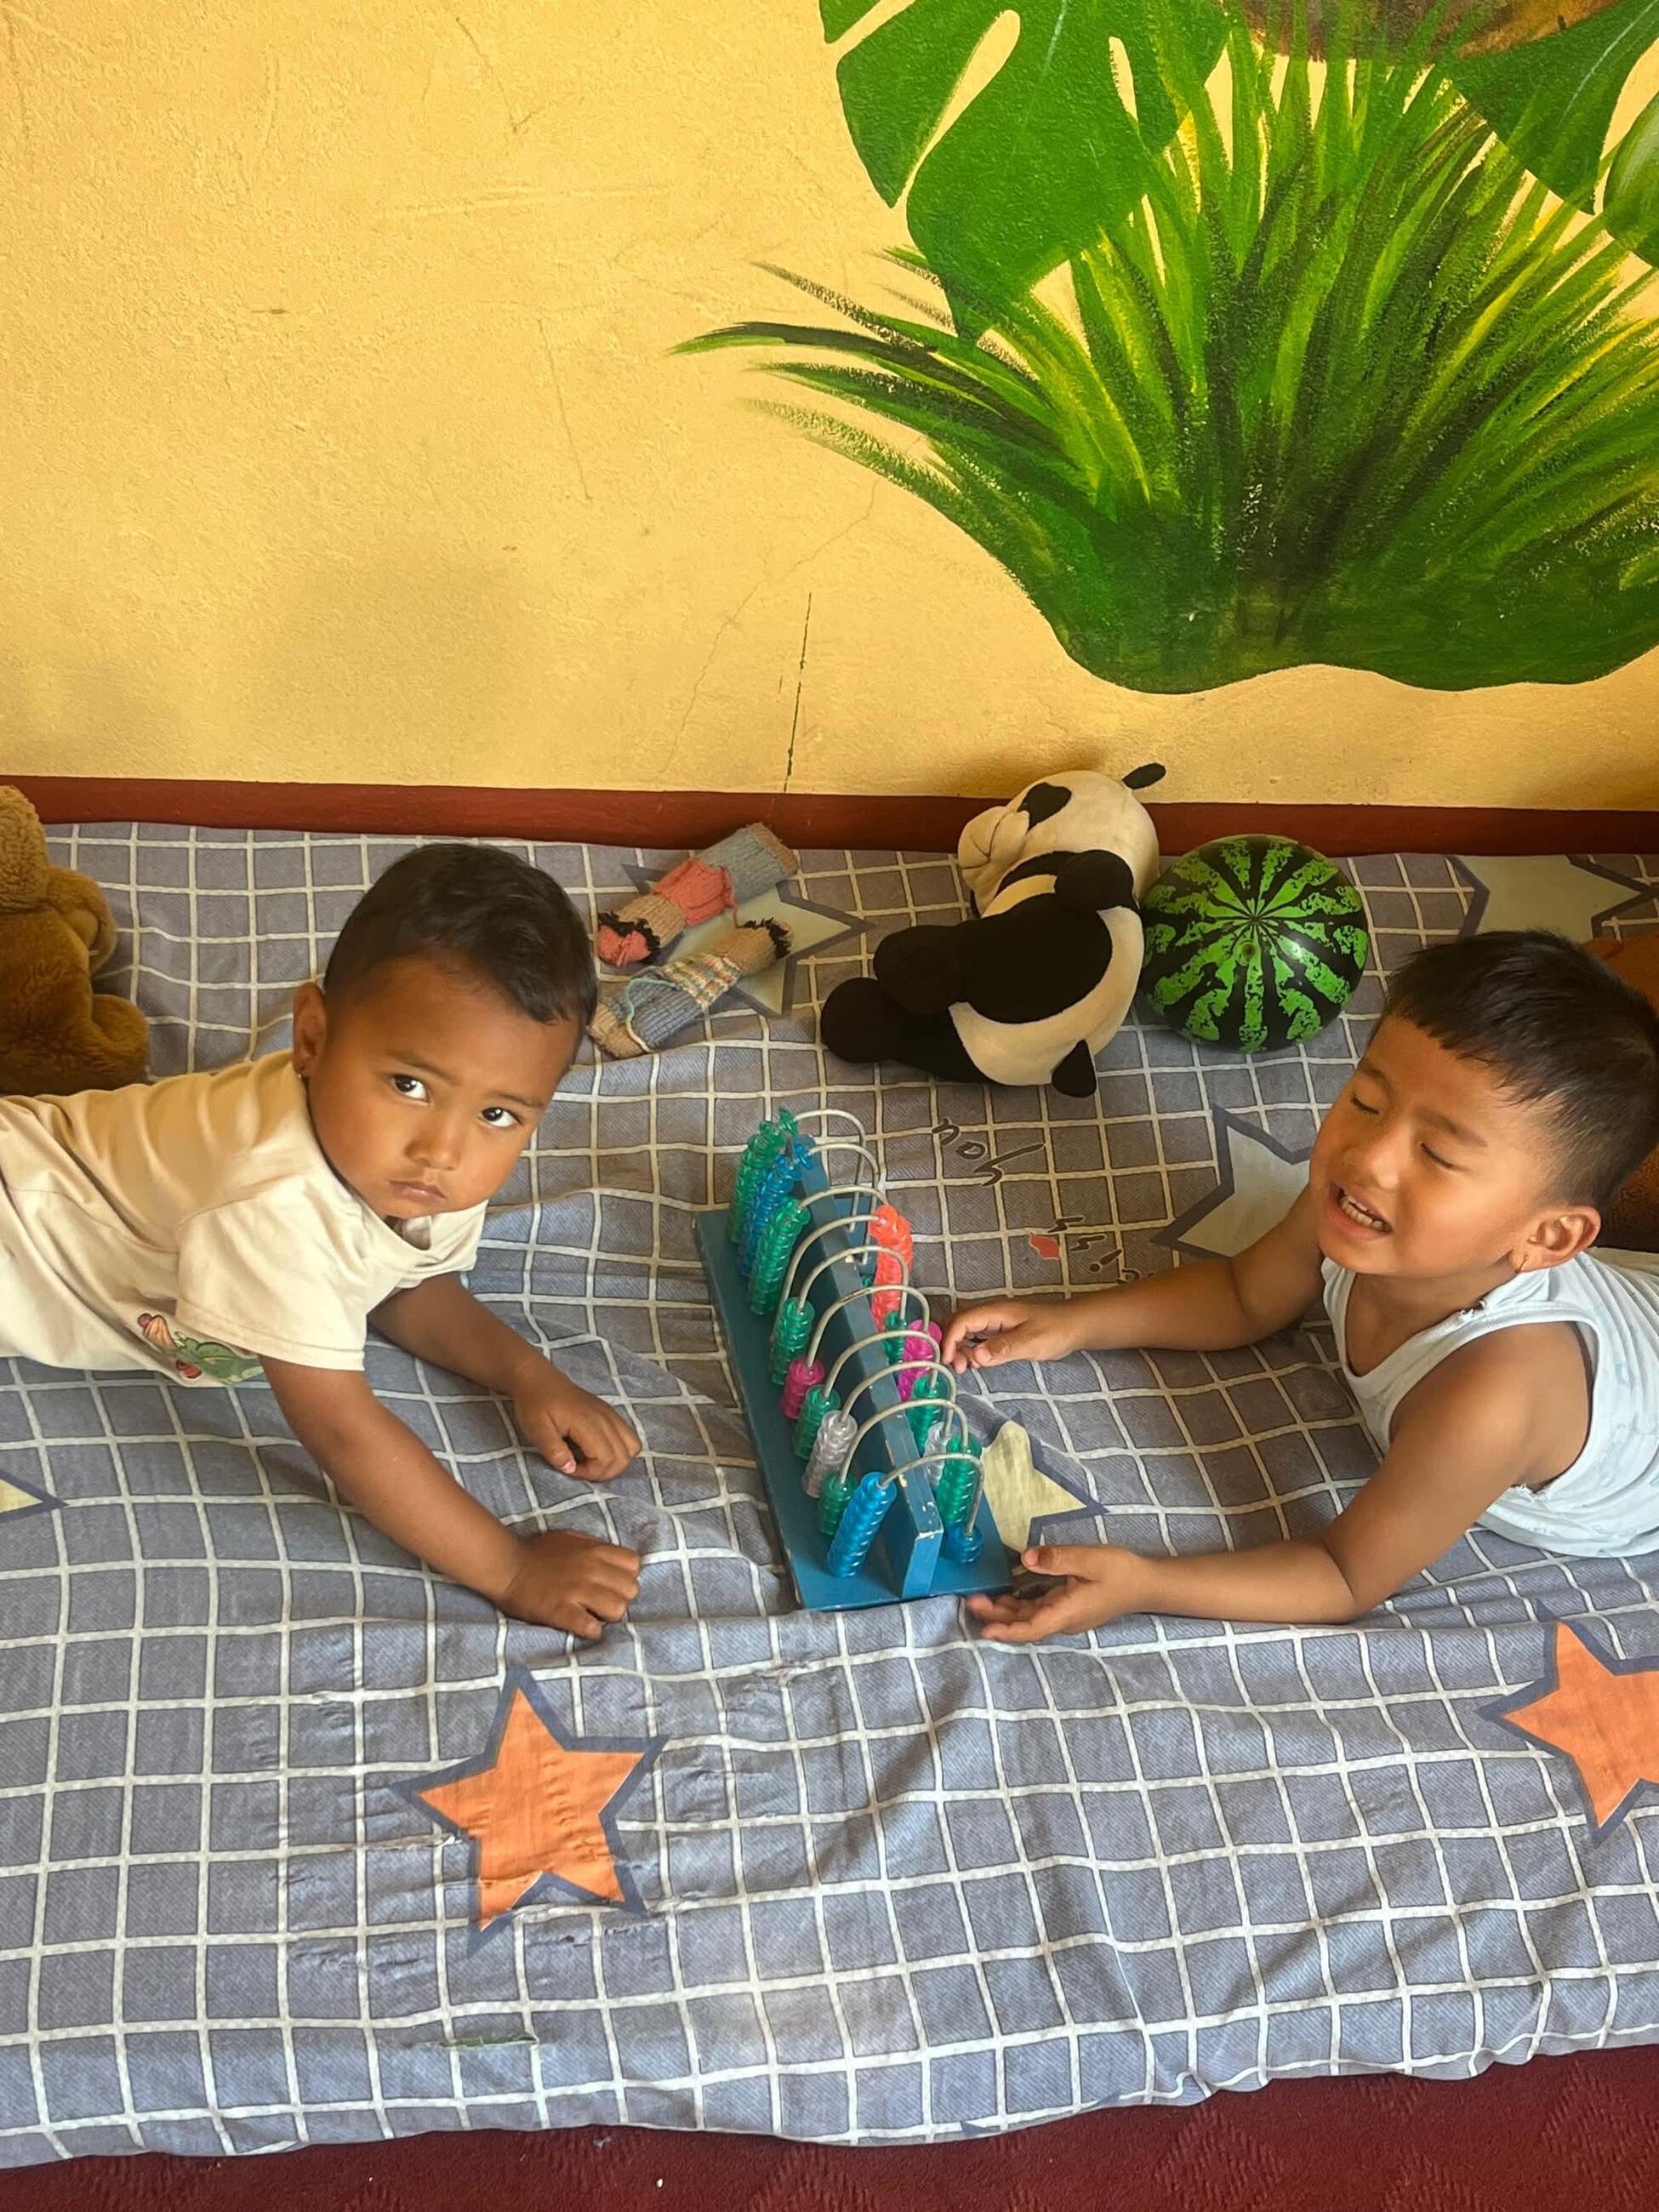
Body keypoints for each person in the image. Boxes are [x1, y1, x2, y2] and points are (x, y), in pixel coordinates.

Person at [0, 842, 642, 1639]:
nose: (443, 1149)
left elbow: (399, 1284)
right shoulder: (274, 1203)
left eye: (498, 1114)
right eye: (409, 1085)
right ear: (310, 1036)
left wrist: (526, 1374)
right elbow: (342, 1428)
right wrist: (510, 1569)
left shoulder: (411, 1168)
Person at [943, 930, 1659, 1643]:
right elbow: (1244, 1295)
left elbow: (1344, 1574)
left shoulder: (1493, 1397)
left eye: (1437, 1154)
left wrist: (1147, 1584)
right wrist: (1074, 1324)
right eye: (1367, 1101)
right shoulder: (1357, 1209)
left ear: (1547, 1239)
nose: (1368, 1158)